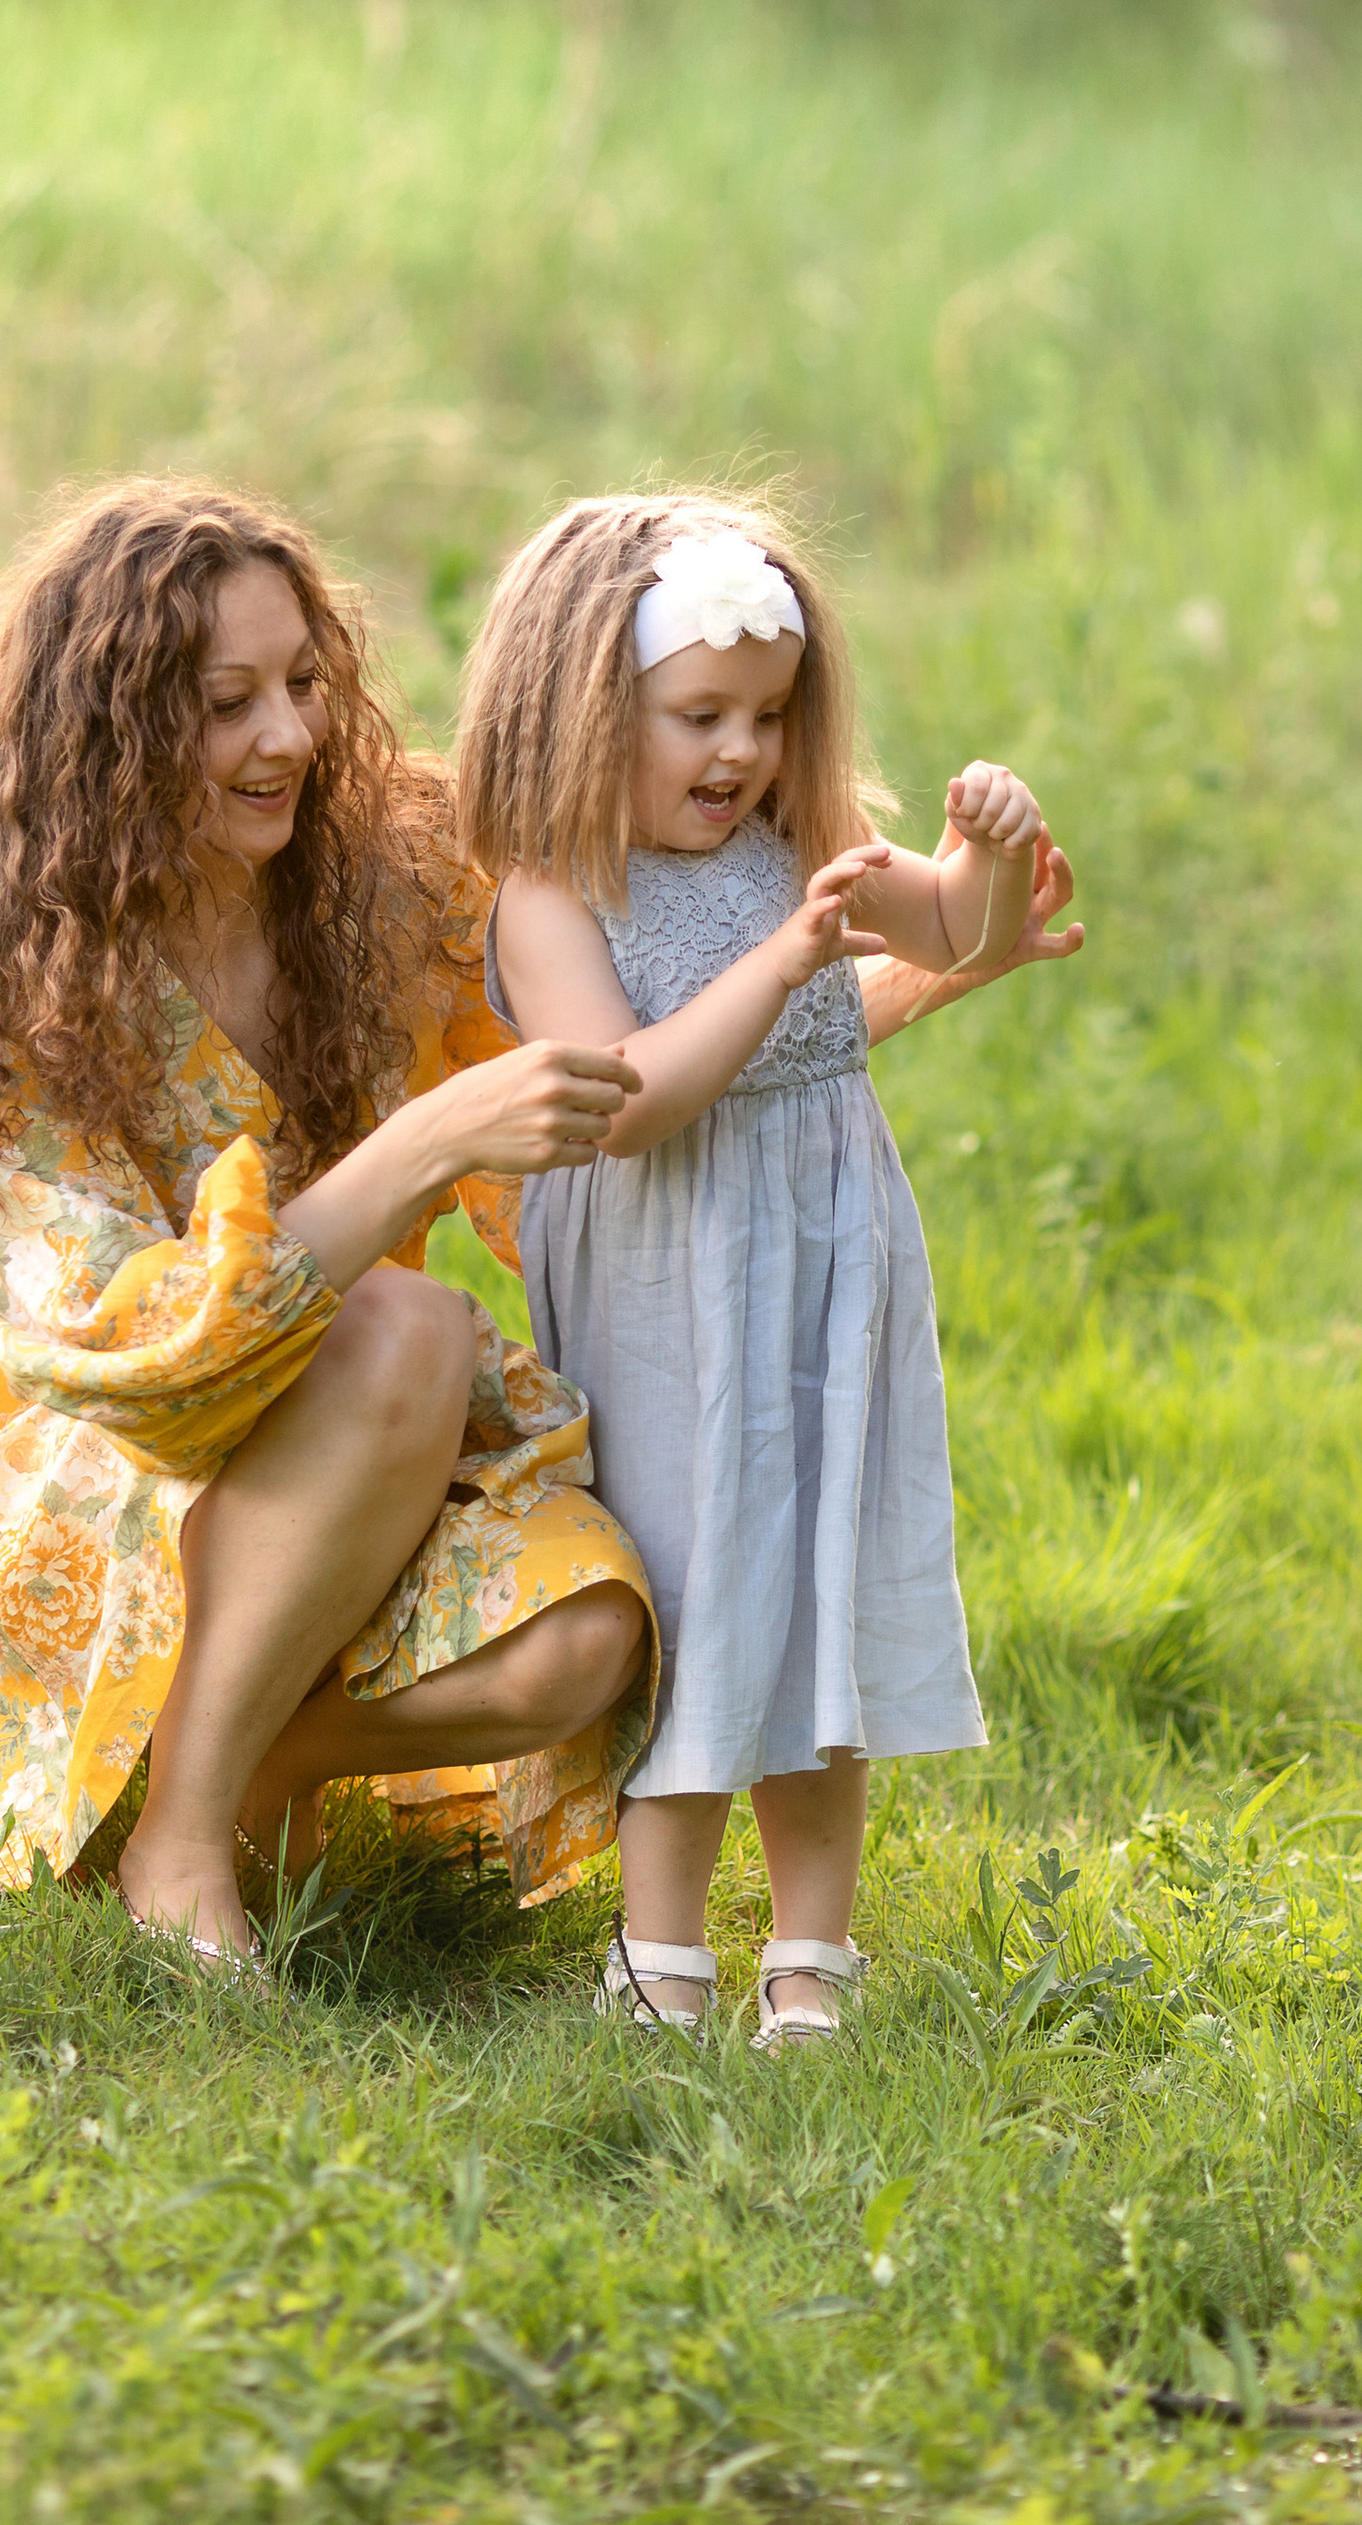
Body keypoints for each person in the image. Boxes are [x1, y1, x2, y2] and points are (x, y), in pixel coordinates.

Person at [0, 479, 1079, 1971]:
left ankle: (266, 1758)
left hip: (366, 1440)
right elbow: (141, 1367)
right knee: (409, 1324)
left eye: (304, 683)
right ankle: (182, 1834)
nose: (289, 738)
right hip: (98, 1483)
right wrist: (424, 1143)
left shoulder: (382, 873)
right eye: (226, 704)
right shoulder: (13, 994)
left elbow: (623, 1080)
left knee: (599, 1634)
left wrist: (920, 975)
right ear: (111, 733)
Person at [467, 491, 1055, 2047]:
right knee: (693, 1572)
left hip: (822, 1246)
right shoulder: (552, 895)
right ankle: (658, 1948)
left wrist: (978, 858)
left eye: (771, 718)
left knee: (816, 1574)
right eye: (699, 717)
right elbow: (630, 1099)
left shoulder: (795, 841)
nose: (739, 753)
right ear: (588, 711)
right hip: (664, 1266)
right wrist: (785, 959)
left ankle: (813, 1954)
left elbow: (947, 926)